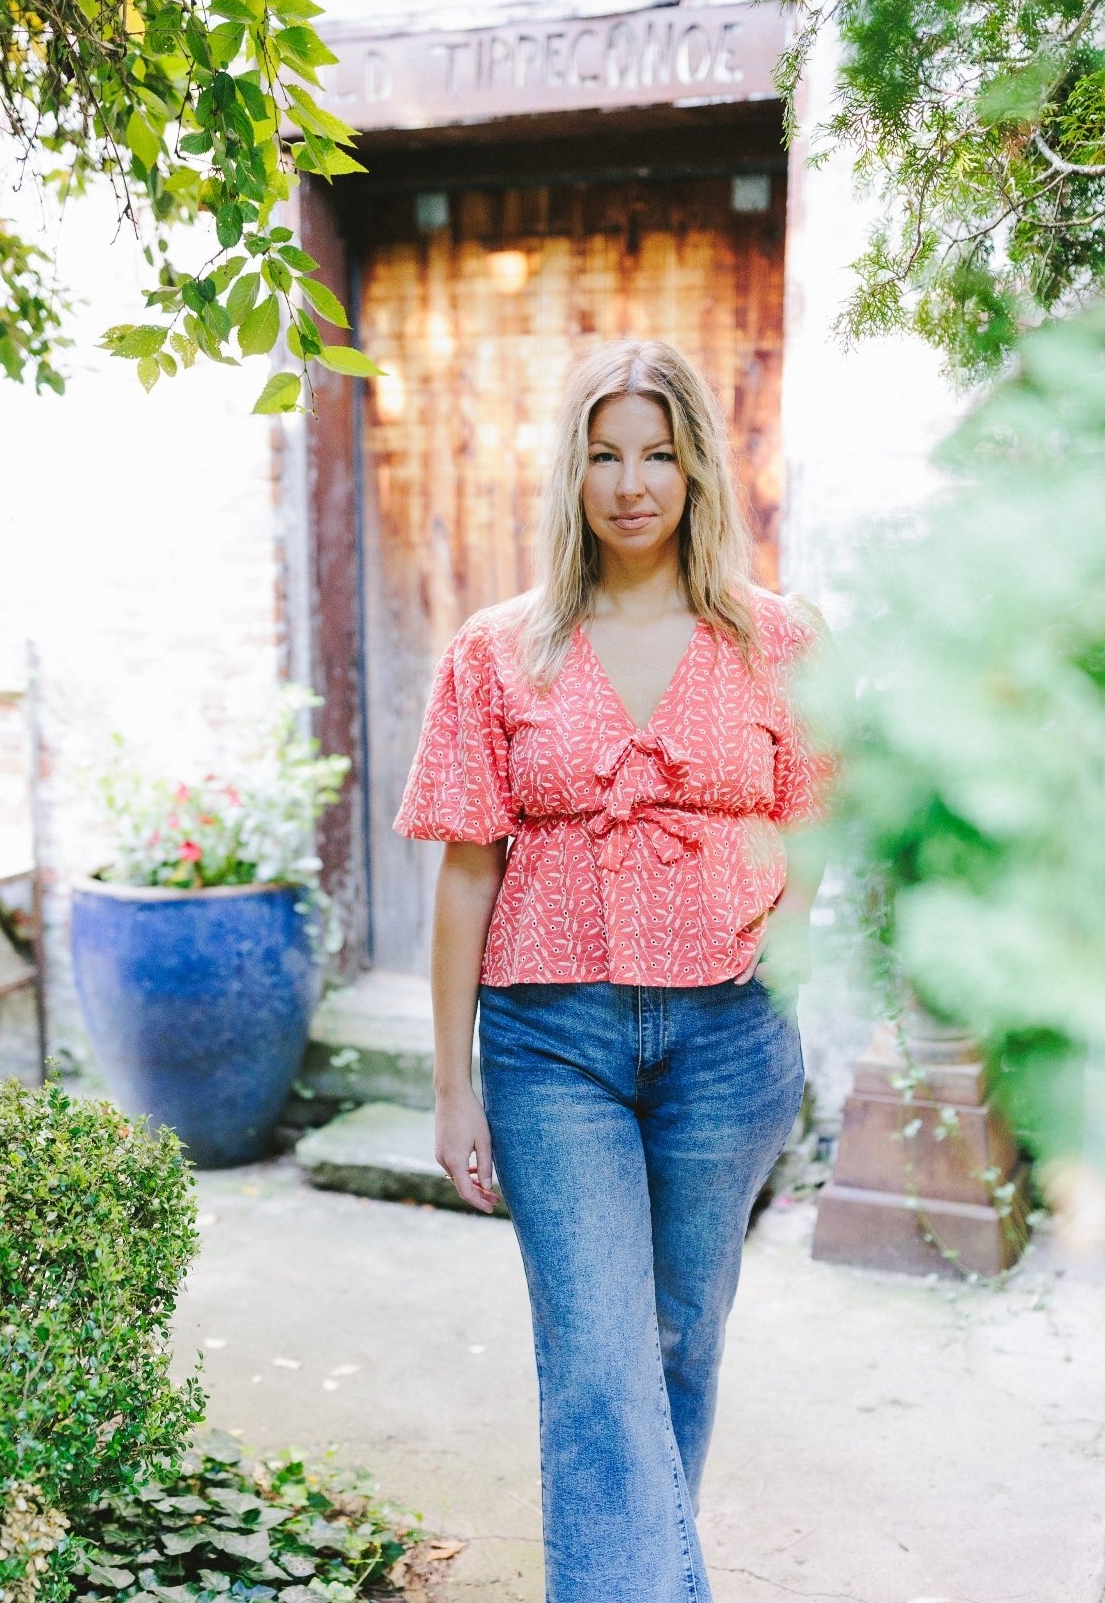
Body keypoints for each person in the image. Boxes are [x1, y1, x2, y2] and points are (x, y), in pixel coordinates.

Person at [393, 339, 833, 1603]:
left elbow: (818, 832)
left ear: (696, 466)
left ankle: (635, 1566)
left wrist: (774, 963)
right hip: (550, 1046)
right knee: (596, 1360)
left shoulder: (777, 642)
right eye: (601, 454)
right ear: (569, 473)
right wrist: (450, 1084)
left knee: (682, 1343)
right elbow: (467, 870)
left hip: (728, 1043)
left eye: (656, 452)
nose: (630, 483)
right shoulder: (498, 650)